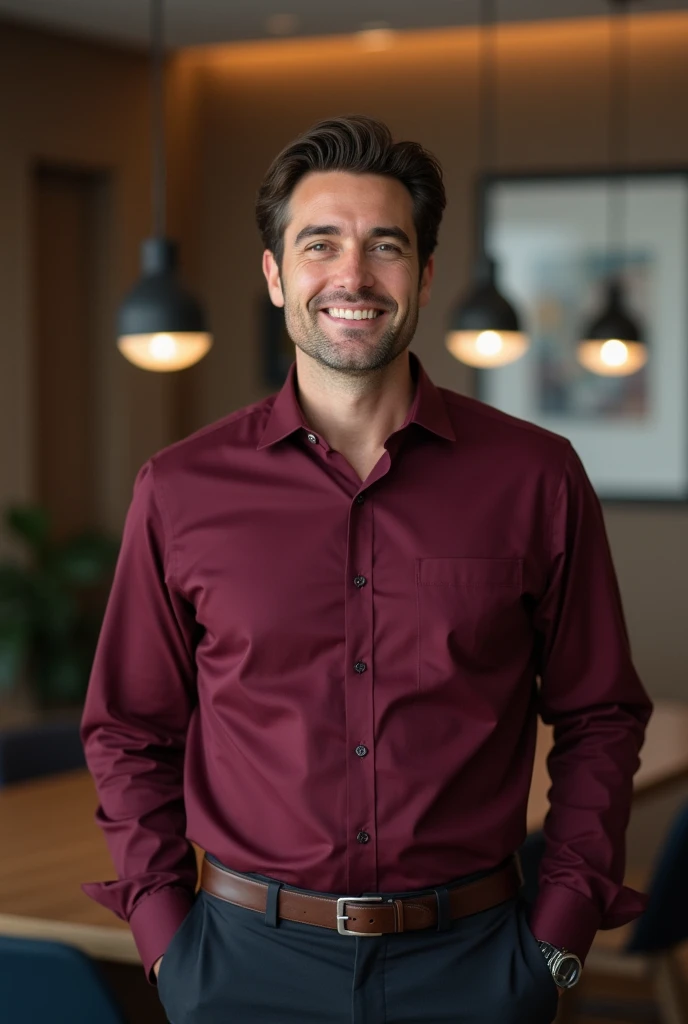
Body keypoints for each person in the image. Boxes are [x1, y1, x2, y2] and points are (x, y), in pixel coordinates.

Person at [81, 115, 652, 1024]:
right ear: (275, 276)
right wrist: (167, 945)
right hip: (240, 969)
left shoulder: (536, 476)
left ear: (423, 275)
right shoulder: (180, 488)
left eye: (385, 246)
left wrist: (560, 947)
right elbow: (129, 728)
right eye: (320, 245)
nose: (352, 276)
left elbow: (601, 714)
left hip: (475, 966)